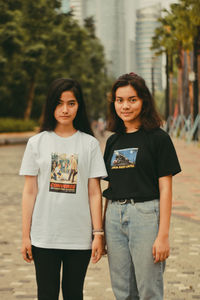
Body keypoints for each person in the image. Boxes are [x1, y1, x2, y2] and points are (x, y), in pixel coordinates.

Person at [19, 78, 107, 300]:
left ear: (79, 106)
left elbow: (94, 192)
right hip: (44, 236)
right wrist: (25, 236)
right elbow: (29, 191)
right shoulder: (36, 143)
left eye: (71, 103)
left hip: (79, 237)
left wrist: (98, 234)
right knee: (46, 294)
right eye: (59, 103)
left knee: (74, 294)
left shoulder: (89, 144)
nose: (65, 110)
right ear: (50, 105)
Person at [103, 73, 181, 300]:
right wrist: (101, 230)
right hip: (114, 218)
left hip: (145, 215)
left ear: (144, 102)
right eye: (120, 100)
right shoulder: (113, 141)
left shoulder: (158, 139)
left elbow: (166, 189)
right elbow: (109, 188)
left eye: (132, 99)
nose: (125, 106)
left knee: (149, 290)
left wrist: (163, 235)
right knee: (123, 291)